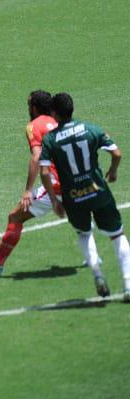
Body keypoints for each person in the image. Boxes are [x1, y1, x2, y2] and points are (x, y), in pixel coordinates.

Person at [0, 90, 98, 276]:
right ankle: (94, 258)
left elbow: (36, 157)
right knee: (79, 218)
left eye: (29, 105)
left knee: (15, 217)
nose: (28, 108)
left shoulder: (34, 126)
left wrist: (28, 190)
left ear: (35, 107)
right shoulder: (59, 122)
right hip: (79, 182)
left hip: (56, 185)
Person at [39, 93, 129, 301]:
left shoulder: (50, 139)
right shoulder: (90, 129)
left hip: (73, 197)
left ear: (54, 113)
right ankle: (128, 285)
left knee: (84, 233)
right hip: (98, 191)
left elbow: (44, 172)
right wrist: (113, 171)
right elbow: (117, 153)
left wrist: (54, 200)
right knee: (117, 235)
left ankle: (97, 274)